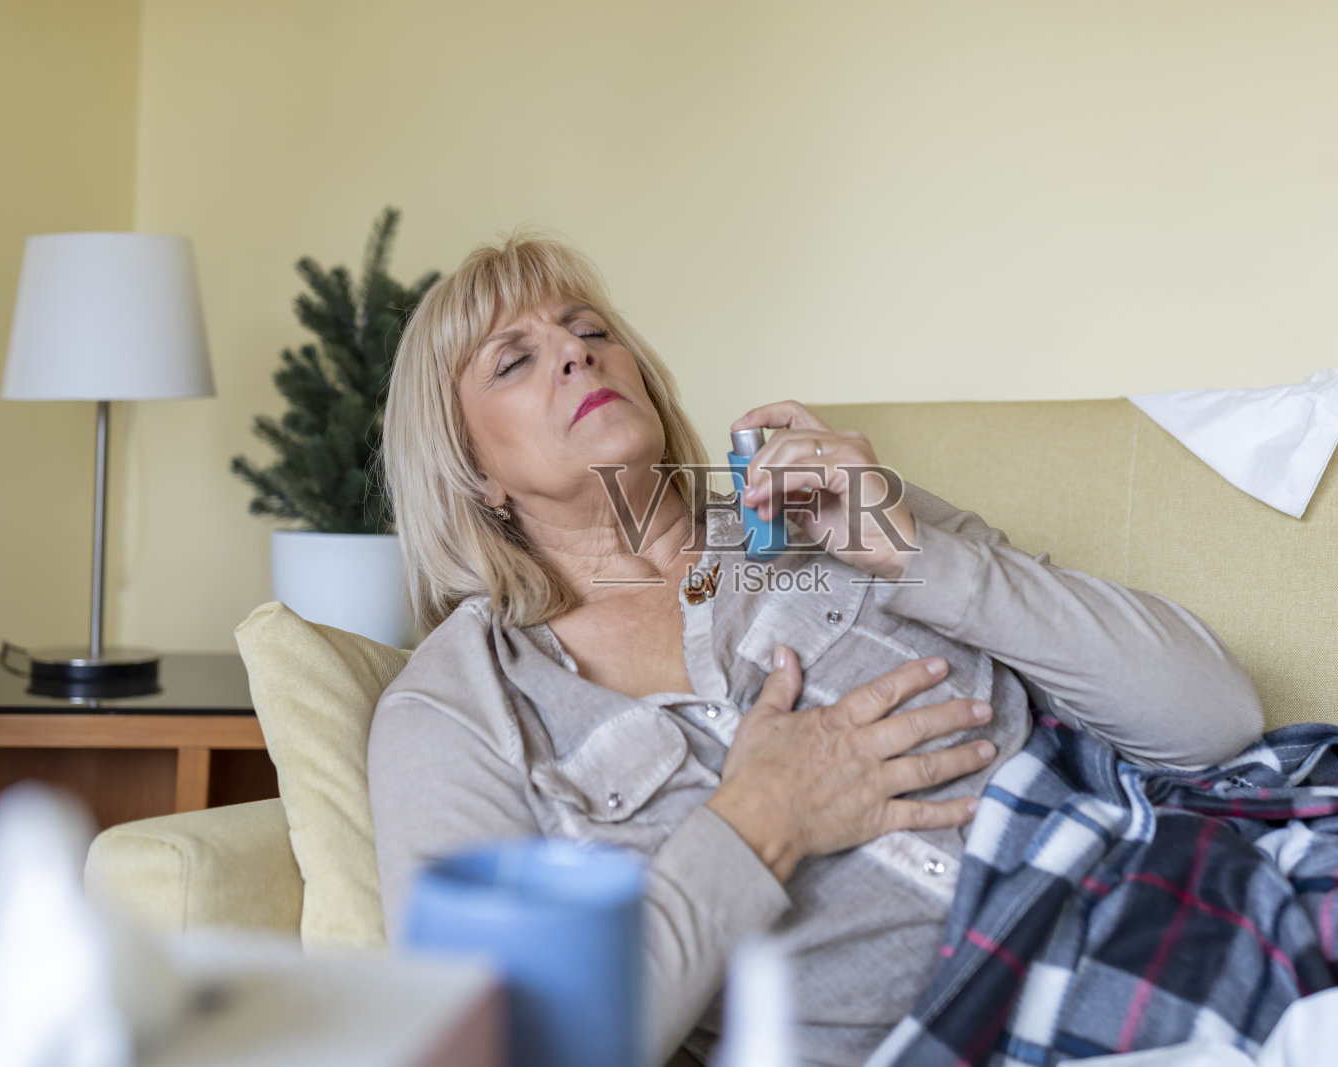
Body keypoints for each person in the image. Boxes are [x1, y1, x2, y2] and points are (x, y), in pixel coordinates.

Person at [369, 233, 1265, 1067]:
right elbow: (502, 1046)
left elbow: (1213, 721)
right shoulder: (455, 710)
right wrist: (761, 819)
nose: (577, 352)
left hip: (1168, 899)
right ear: (471, 469)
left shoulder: (832, 505)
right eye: (515, 360)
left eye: (590, 327)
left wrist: (916, 552)